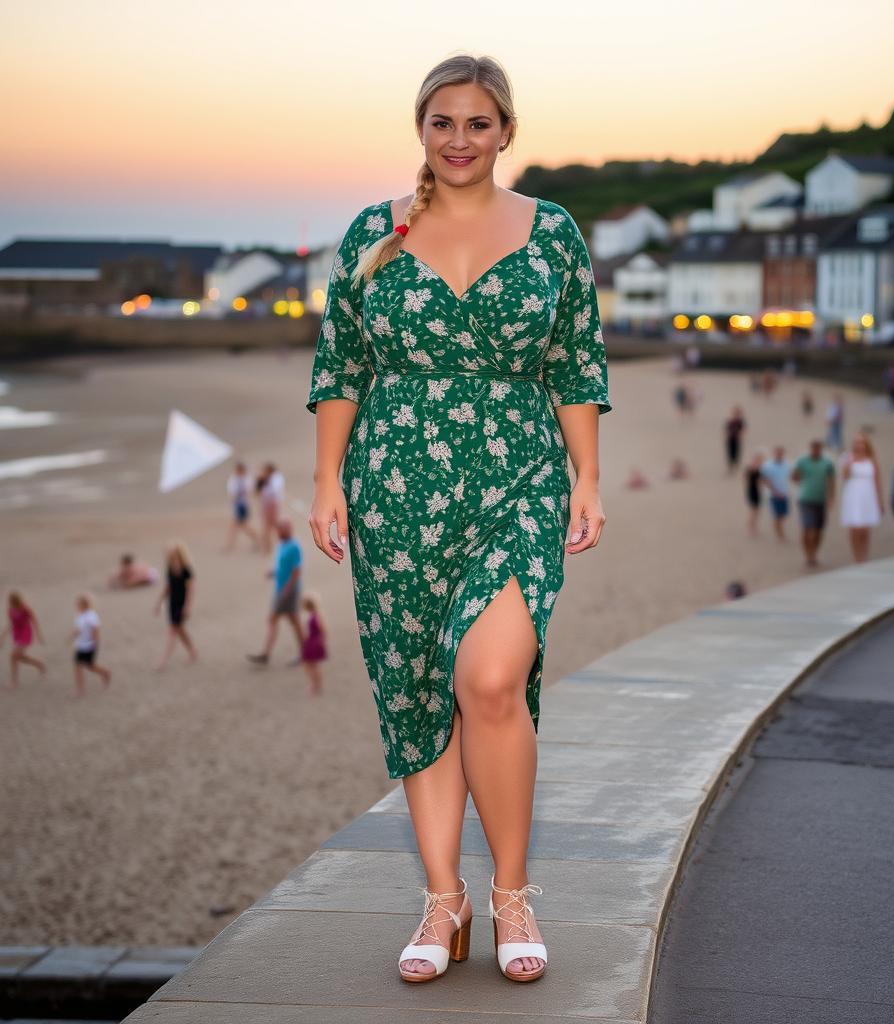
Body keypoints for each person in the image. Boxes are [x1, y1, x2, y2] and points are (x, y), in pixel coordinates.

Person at [305, 55, 612, 986]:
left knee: (489, 678)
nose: (459, 140)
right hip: (394, 481)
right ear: (422, 129)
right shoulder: (376, 233)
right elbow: (341, 365)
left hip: (519, 475)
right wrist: (328, 484)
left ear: (506, 131)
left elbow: (575, 362)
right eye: (443, 122)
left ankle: (512, 889)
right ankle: (445, 899)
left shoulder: (552, 232)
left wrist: (587, 480)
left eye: (478, 123)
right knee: (416, 691)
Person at [248, 517, 304, 665]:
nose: (277, 533)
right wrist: (273, 573)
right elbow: (282, 566)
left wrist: (287, 589)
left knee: (279, 619)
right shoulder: (281, 545)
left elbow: (297, 571)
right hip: (281, 588)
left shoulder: (294, 546)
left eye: (279, 531)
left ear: (287, 530)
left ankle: (266, 654)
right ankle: (268, 653)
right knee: (291, 620)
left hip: (288, 590)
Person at [839, 432, 884, 563]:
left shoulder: (872, 459)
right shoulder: (847, 457)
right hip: (853, 494)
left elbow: (877, 481)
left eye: (862, 442)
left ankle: (864, 556)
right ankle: (856, 557)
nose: (859, 445)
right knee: (855, 528)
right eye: (857, 442)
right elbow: (845, 476)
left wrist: (880, 501)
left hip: (868, 494)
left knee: (865, 528)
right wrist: (849, 462)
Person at [153, 541, 197, 671]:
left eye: (173, 554)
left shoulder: (186, 570)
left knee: (173, 631)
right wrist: (159, 602)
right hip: (172, 604)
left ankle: (163, 660)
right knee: (180, 631)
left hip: (181, 604)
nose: (170, 556)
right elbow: (168, 587)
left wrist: (188, 607)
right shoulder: (170, 568)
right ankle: (193, 651)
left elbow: (191, 590)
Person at [792, 439, 835, 568]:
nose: (815, 450)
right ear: (810, 448)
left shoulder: (827, 463)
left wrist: (831, 497)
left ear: (821, 449)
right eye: (813, 447)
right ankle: (808, 555)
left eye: (818, 448)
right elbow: (794, 476)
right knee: (807, 528)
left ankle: (814, 552)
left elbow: (831, 481)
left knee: (818, 529)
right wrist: (802, 483)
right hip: (806, 499)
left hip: (821, 500)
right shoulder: (802, 461)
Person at [67, 593, 111, 694]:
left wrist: (94, 643)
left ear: (84, 605)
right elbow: (79, 629)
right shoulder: (80, 616)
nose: (76, 606)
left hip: (89, 645)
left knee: (90, 666)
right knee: (77, 666)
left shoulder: (91, 616)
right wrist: (72, 636)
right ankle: (80, 689)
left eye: (78, 604)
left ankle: (105, 673)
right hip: (80, 645)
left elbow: (95, 629)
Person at [2, 590, 46, 688]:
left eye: (13, 601)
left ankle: (14, 682)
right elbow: (10, 623)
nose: (12, 603)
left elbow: (34, 621)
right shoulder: (10, 610)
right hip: (17, 633)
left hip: (26, 633)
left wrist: (39, 635)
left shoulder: (26, 608)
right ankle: (39, 665)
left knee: (13, 656)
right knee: (19, 657)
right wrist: (3, 636)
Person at [224, 462, 259, 552]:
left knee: (239, 525)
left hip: (242, 505)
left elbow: (248, 491)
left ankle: (230, 545)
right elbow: (232, 492)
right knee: (239, 525)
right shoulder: (235, 479)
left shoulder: (245, 479)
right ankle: (257, 539)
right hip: (238, 505)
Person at [760, 445, 792, 541]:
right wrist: (774, 491)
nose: (779, 455)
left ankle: (780, 531)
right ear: (774, 454)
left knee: (783, 514)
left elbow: (792, 476)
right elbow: (764, 479)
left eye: (781, 453)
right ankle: (779, 533)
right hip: (773, 494)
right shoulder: (767, 465)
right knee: (777, 515)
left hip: (785, 493)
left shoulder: (787, 464)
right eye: (777, 453)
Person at [299, 593, 328, 696]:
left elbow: (321, 630)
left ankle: (315, 685)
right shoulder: (316, 616)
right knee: (312, 665)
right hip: (314, 642)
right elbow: (323, 631)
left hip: (312, 643)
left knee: (311, 665)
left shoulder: (311, 617)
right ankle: (316, 684)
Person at [256, 462, 286, 555]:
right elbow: (258, 492)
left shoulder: (276, 478)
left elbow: (273, 492)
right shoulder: (269, 479)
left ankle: (268, 548)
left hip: (272, 504)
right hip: (268, 504)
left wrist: (264, 480)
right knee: (269, 526)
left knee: (269, 526)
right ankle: (268, 547)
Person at [743, 449, 766, 536]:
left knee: (756, 511)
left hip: (756, 491)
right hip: (753, 491)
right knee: (753, 511)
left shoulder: (759, 468)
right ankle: (750, 528)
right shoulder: (752, 468)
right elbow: (747, 479)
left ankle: (754, 527)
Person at [723, 405, 745, 474]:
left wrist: (739, 435)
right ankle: (730, 466)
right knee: (729, 453)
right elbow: (726, 430)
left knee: (736, 453)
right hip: (730, 439)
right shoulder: (730, 421)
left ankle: (735, 465)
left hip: (736, 439)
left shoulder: (740, 422)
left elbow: (743, 430)